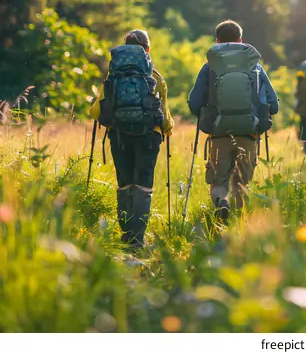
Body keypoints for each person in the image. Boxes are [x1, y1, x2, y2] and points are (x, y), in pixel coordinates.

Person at [90, 30, 174, 252]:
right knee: (143, 185)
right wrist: (167, 129)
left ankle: (126, 236)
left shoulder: (112, 78)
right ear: (147, 50)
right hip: (149, 136)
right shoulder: (155, 79)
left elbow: (95, 111)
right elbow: (165, 119)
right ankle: (138, 240)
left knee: (125, 183)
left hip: (119, 136)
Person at [188, 20, 279, 223]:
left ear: (217, 41)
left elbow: (195, 103)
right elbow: (273, 104)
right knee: (242, 183)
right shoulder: (255, 68)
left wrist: (205, 117)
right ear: (240, 40)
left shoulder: (209, 67)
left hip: (219, 133)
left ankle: (222, 202)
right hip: (249, 132)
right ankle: (238, 227)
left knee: (219, 180)